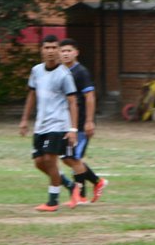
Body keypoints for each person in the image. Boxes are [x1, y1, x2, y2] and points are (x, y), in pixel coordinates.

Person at [20, 35, 78, 212]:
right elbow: (31, 95)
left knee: (49, 160)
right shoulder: (36, 71)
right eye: (47, 47)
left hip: (58, 125)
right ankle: (70, 185)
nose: (51, 51)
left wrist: (73, 129)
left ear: (58, 50)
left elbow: (72, 102)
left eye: (54, 47)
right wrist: (24, 119)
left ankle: (53, 201)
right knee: (39, 162)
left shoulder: (64, 74)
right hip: (41, 125)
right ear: (42, 50)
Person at [58, 38, 108, 206]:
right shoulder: (62, 72)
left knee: (73, 158)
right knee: (68, 158)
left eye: (69, 51)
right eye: (63, 51)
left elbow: (90, 97)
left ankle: (81, 196)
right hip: (67, 123)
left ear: (76, 53)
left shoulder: (81, 72)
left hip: (80, 123)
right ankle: (96, 182)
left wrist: (89, 121)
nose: (65, 54)